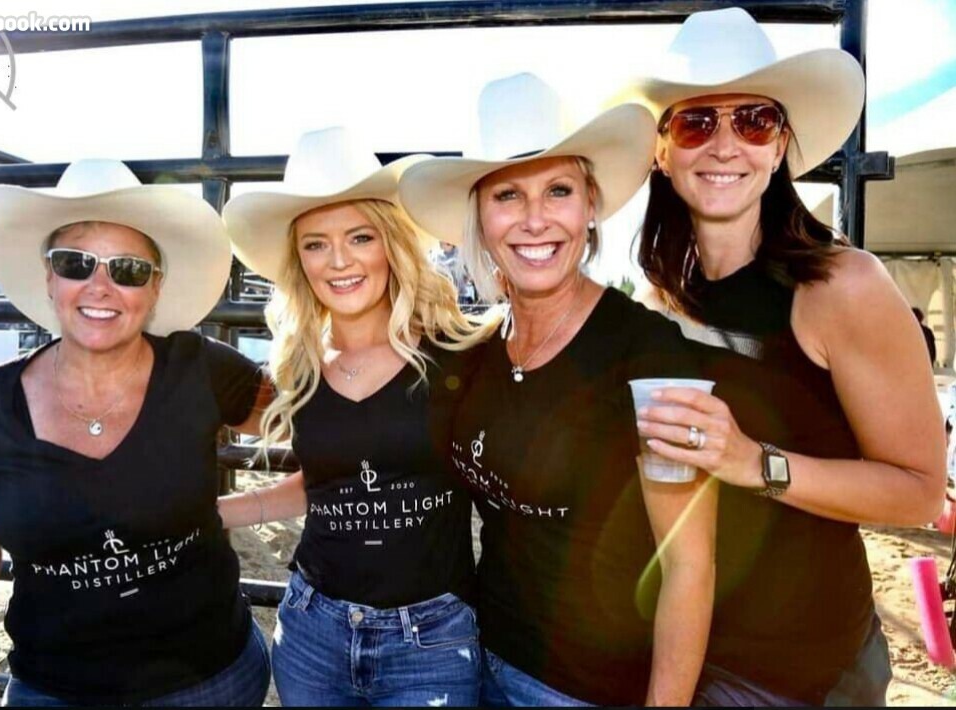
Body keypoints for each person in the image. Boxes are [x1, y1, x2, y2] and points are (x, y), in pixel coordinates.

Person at [620, 8, 947, 705]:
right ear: (662, 152)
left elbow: (920, 492)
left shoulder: (840, 286)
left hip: (806, 673)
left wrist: (755, 463)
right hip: (692, 651)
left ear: (779, 148)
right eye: (696, 123)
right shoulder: (661, 300)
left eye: (754, 121)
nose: (726, 145)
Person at [399, 73, 718, 706]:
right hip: (475, 657)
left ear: (590, 205)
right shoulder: (481, 347)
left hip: (587, 688)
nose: (535, 219)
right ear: (480, 218)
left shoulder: (649, 355)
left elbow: (689, 564)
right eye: (507, 195)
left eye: (559, 191)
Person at [0, 159, 273, 707]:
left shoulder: (200, 368)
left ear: (155, 288)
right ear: (49, 277)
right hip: (55, 692)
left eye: (128, 269)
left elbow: (325, 419)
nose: (100, 286)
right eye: (75, 263)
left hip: (211, 684)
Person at [221, 127, 494, 706]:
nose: (339, 261)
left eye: (360, 237)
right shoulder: (301, 364)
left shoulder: (457, 353)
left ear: (390, 244)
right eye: (316, 243)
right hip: (312, 631)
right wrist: (214, 513)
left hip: (432, 640)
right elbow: (330, 483)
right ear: (299, 259)